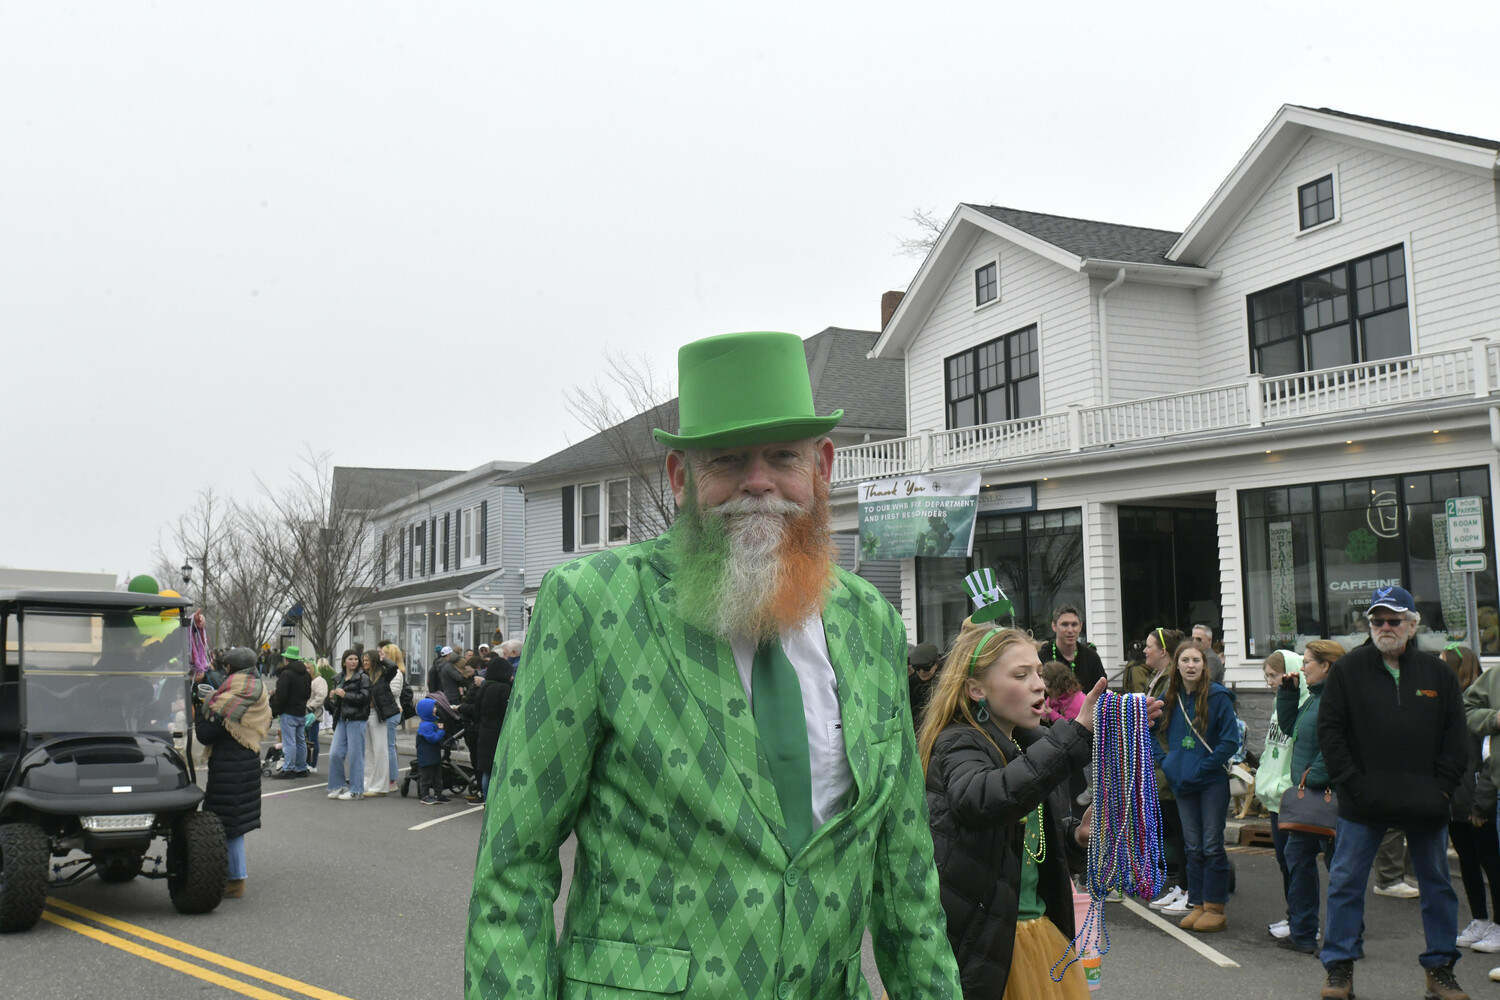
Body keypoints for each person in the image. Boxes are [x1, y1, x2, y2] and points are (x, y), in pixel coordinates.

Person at [466, 330, 964, 999]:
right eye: (727, 460)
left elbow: (906, 874)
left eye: (782, 457)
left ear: (822, 466)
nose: (757, 483)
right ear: (680, 478)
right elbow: (514, 865)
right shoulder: (591, 604)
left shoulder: (871, 623)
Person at [921, 620, 1105, 999]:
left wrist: (1074, 835)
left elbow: (1028, 843)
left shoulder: (1029, 745)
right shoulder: (957, 743)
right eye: (1021, 675)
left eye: (1038, 672)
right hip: (982, 948)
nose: (1039, 684)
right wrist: (1073, 737)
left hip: (1036, 938)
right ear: (976, 689)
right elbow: (984, 800)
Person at [1317, 585, 1470, 1000]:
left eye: (1394, 619)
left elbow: (1458, 736)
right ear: (1369, 625)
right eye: (1378, 620)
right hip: (1362, 802)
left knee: (1437, 885)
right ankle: (1339, 968)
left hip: (1426, 802)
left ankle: (1440, 969)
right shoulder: (1348, 671)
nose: (1386, 627)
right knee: (1346, 882)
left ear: (1413, 624)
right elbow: (1330, 733)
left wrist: (1442, 788)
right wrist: (1352, 783)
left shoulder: (1437, 674)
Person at [1154, 637, 1238, 933]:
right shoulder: (1170, 695)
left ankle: (1215, 907)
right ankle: (1199, 902)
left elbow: (1230, 741)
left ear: (1205, 666)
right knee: (1192, 846)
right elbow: (1152, 729)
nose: (1191, 665)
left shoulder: (1218, 697)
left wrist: (1203, 767)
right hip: (1182, 783)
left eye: (1196, 661)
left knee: (1212, 844)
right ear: (1176, 665)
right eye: (1185, 660)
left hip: (1211, 783)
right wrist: (1166, 762)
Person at [1275, 639, 1344, 955]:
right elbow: (1293, 730)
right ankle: (1303, 933)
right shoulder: (1314, 698)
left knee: (1340, 867)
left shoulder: (1338, 698)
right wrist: (1288, 695)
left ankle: (1347, 933)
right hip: (1310, 798)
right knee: (1298, 858)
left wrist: (1313, 776)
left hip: (1329, 796)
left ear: (1326, 665)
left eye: (1307, 662)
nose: (1301, 668)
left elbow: (1338, 744)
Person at [193, 646, 271, 899]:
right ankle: (232, 876)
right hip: (247, 759)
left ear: (230, 668)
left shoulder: (230, 695)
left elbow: (206, 734)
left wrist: (203, 706)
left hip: (229, 765)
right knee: (234, 822)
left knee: (228, 824)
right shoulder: (257, 688)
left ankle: (235, 880)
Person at [1444, 645, 1500, 953]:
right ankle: (1479, 919)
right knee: (1467, 860)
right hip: (1456, 799)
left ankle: (1498, 924)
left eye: (1443, 663)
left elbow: (1486, 760)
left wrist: (1481, 802)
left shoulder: (1481, 708)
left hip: (1479, 800)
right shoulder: (1450, 708)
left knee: (1491, 863)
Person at [1257, 648, 1307, 943]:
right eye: (1266, 676)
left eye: (1273, 675)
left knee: (1296, 863)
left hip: (1291, 795)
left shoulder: (1303, 704)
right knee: (1283, 860)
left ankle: (1302, 919)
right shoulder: (1281, 703)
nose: (1269, 682)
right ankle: (1294, 915)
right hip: (1276, 796)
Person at [1143, 627, 1191, 917]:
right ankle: (1181, 885)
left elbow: (1158, 717)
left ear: (1163, 651)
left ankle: (1187, 888)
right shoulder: (1157, 677)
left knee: (1182, 833)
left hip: (1169, 766)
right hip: (1160, 766)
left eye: (1149, 647)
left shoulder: (1169, 682)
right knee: (1173, 832)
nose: (1145, 651)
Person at [325, 650, 371, 801]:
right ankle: (338, 785)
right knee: (335, 753)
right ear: (344, 661)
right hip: (341, 719)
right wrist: (332, 698)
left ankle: (357, 790)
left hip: (357, 719)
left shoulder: (363, 678)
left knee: (356, 755)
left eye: (356, 659)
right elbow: (334, 705)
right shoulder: (339, 678)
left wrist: (346, 695)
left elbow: (365, 698)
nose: (354, 662)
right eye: (350, 659)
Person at [471, 653, 513, 801]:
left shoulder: (484, 687)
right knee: (499, 769)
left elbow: (476, 710)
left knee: (487, 770)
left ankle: (486, 799)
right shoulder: (504, 689)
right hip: (499, 733)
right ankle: (497, 800)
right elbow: (508, 712)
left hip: (484, 731)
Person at [362, 649, 403, 797]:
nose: (365, 663)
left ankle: (380, 786)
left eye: (367, 660)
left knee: (380, 749)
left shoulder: (383, 675)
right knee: (368, 751)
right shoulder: (363, 675)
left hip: (379, 715)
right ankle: (367, 783)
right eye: (363, 660)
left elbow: (393, 667)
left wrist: (382, 658)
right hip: (365, 714)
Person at [1043, 604, 1106, 693]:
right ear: (1054, 626)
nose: (1070, 630)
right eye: (1064, 624)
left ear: (1080, 626)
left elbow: (1101, 693)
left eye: (1074, 624)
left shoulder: (1091, 657)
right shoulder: (1043, 656)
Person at [269, 647, 311, 778]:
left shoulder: (286, 674)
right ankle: (301, 767)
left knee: (289, 742)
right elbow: (307, 693)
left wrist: (276, 710)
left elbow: (282, 696)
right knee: (300, 741)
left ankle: (289, 768)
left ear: (287, 660)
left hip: (288, 712)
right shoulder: (306, 674)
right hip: (300, 711)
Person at [380, 642, 409, 791]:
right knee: (385, 746)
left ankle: (392, 779)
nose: (380, 656)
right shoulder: (385, 672)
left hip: (391, 712)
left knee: (389, 746)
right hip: (386, 712)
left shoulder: (396, 673)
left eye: (383, 654)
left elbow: (394, 692)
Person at [415, 696, 450, 804]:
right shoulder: (425, 726)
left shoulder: (431, 723)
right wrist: (440, 731)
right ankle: (425, 795)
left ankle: (438, 794)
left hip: (433, 756)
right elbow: (433, 738)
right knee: (426, 777)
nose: (435, 709)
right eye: (433, 707)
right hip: (426, 757)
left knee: (437, 777)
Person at [907, 641, 941, 732]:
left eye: (926, 668)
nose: (921, 672)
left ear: (937, 664)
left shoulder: (946, 682)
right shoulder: (911, 683)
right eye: (917, 668)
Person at [306, 657, 329, 773]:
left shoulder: (319, 681)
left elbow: (320, 696)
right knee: (306, 741)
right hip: (305, 715)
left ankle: (313, 764)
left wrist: (310, 707)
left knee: (312, 740)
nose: (306, 670)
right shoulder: (307, 680)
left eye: (308, 668)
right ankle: (306, 762)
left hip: (313, 715)